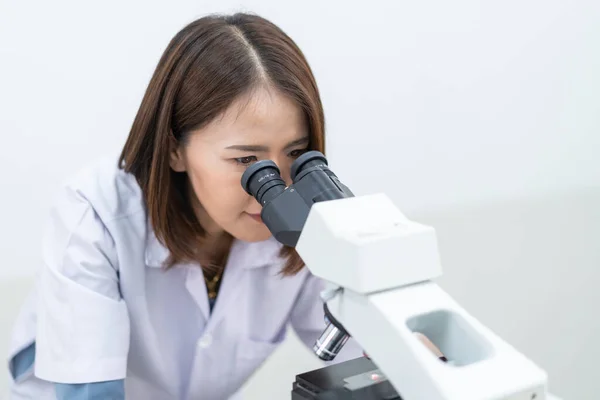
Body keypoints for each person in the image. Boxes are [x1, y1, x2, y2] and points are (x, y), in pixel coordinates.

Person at [6, 12, 443, 400]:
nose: (274, 187)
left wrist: (413, 347)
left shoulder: (307, 223)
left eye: (296, 153)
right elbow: (90, 391)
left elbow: (367, 351)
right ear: (175, 149)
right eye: (246, 161)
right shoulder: (95, 216)